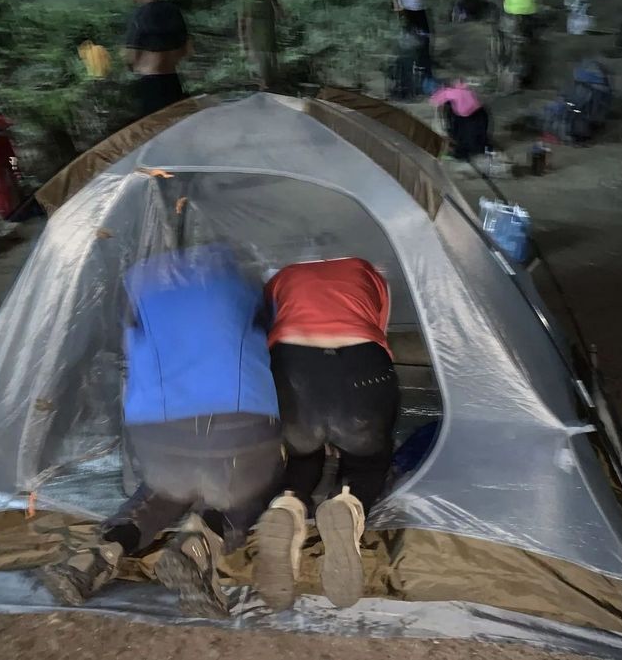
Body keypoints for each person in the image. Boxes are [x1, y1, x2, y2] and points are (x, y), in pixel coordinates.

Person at [39, 245, 284, 616]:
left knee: (167, 488)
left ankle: (98, 555)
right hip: (238, 415)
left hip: (155, 428)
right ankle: (200, 543)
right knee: (255, 477)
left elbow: (122, 340)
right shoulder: (240, 281)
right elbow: (274, 330)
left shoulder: (140, 282)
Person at [253, 257, 400, 612]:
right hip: (362, 368)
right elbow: (380, 326)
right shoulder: (367, 271)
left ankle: (288, 507)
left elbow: (265, 325)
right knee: (368, 461)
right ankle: (347, 505)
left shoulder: (283, 277)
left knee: (303, 454)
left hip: (292, 368)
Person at [120, 0, 193, 117]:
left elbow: (131, 57)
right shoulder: (173, 10)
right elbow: (187, 49)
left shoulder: (140, 16)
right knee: (177, 124)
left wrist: (127, 60)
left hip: (150, 87)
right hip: (173, 82)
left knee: (156, 128)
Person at [238, 0, 285, 91]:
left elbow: (281, 17)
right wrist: (246, 47)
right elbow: (244, 24)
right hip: (258, 48)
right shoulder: (250, 0)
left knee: (273, 81)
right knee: (263, 83)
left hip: (271, 46)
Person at [389, 0, 433, 80]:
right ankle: (405, 72)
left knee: (424, 39)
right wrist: (396, 2)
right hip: (407, 7)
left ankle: (423, 70)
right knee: (410, 41)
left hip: (420, 7)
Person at [494, 0, 538, 82]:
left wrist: (500, 14)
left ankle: (509, 68)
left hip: (514, 12)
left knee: (506, 37)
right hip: (531, 12)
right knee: (525, 40)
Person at [429, 79, 490, 160]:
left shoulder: (452, 92)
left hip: (470, 117)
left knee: (465, 137)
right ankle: (476, 149)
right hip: (479, 114)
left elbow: (435, 100)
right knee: (475, 136)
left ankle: (464, 152)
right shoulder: (465, 90)